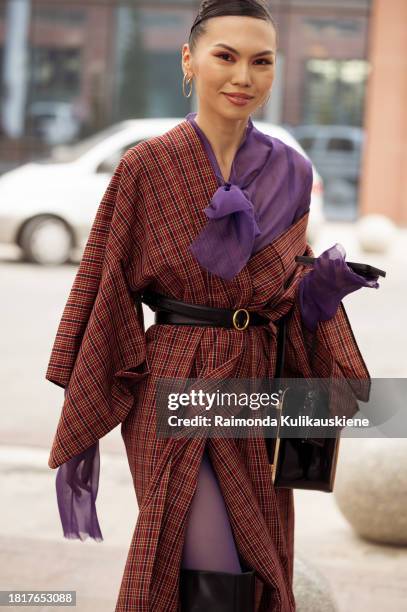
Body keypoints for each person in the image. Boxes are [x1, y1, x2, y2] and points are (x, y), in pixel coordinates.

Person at [45, 1, 380, 610]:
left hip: (255, 384)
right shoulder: (147, 166)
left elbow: (283, 289)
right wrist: (97, 390)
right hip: (175, 379)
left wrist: (320, 285)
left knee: (256, 555)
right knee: (195, 546)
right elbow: (106, 284)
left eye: (261, 61)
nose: (242, 77)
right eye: (225, 56)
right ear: (189, 60)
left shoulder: (293, 172)